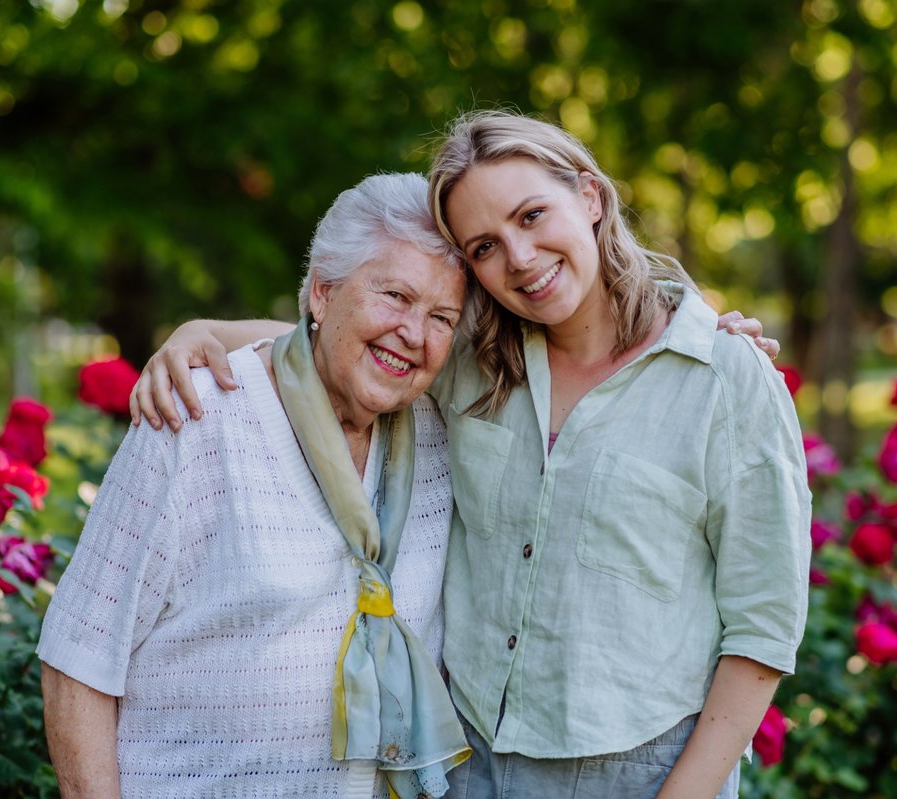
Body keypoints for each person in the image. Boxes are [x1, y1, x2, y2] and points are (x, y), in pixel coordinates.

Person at [133, 111, 809, 799]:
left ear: (591, 198)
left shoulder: (724, 381)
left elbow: (762, 630)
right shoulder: (472, 363)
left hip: (643, 772)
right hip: (471, 763)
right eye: (484, 246)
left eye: (533, 214)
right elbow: (340, 337)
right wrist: (201, 331)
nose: (519, 256)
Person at [37, 173, 472, 799]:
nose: (414, 332)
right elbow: (79, 657)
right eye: (395, 295)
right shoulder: (197, 418)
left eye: (441, 316)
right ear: (321, 293)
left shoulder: (436, 436)